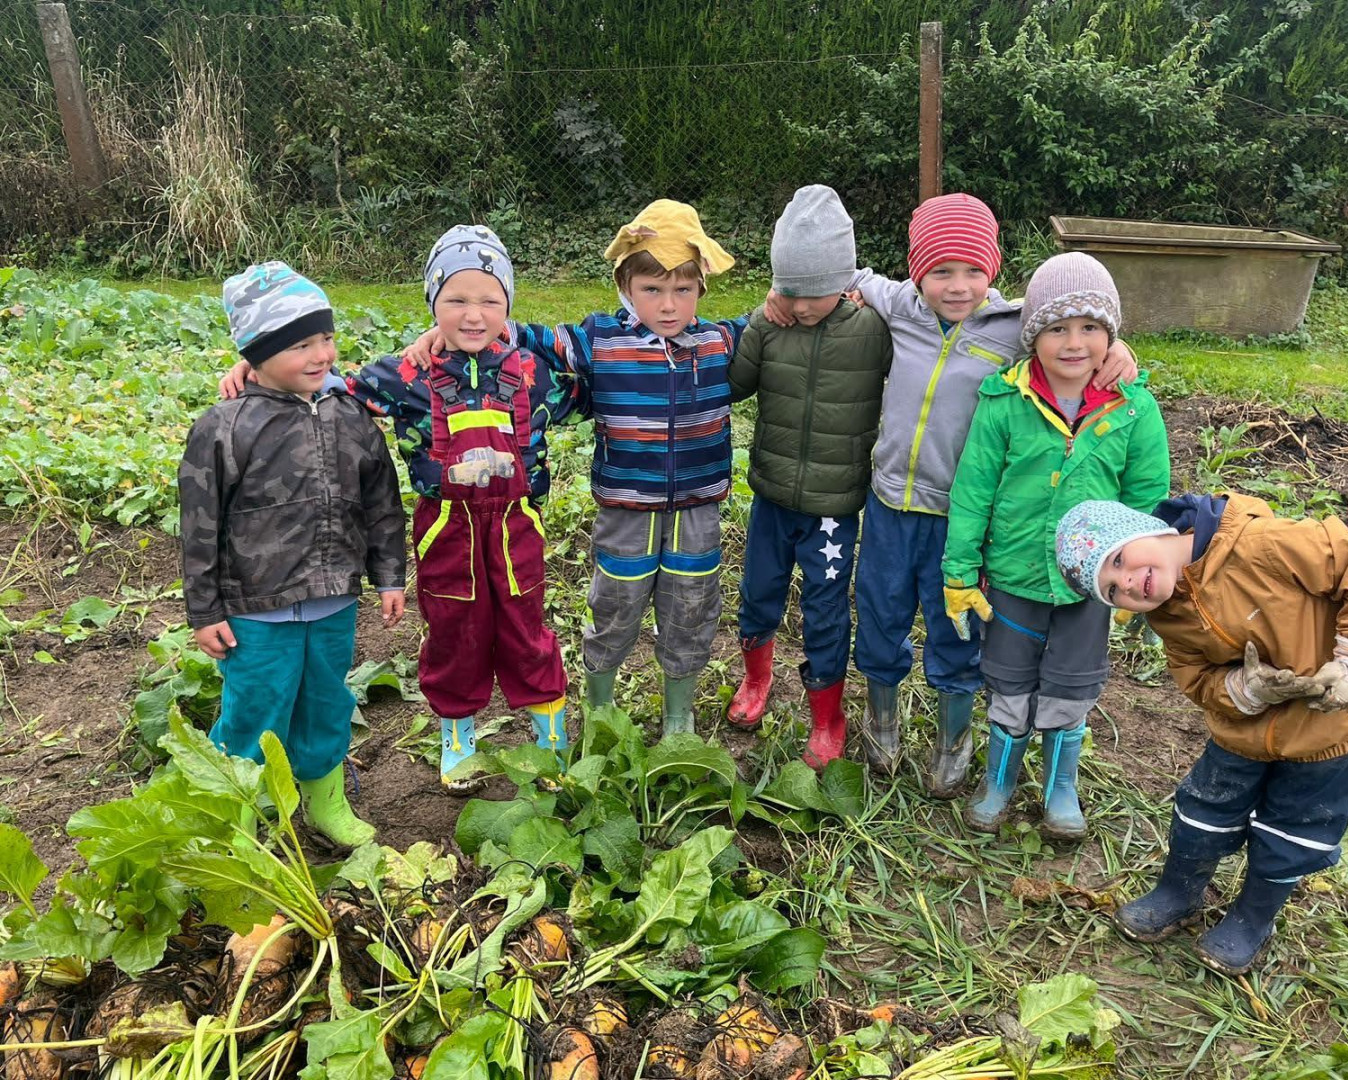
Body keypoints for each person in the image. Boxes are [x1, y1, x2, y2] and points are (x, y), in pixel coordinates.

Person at [764, 193, 1136, 788]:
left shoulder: (1014, 328)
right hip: (889, 505)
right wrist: (782, 295)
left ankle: (952, 739)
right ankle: (882, 723)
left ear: (993, 269)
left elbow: (1072, 327)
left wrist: (1117, 348)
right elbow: (840, 275)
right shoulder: (899, 305)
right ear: (917, 272)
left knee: (955, 625)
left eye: (972, 271)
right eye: (940, 271)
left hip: (961, 518)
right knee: (880, 614)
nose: (957, 287)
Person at [220, 228, 584, 791]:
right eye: (455, 300)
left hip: (517, 527)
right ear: (432, 302)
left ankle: (550, 739)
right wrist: (260, 370)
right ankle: (458, 739)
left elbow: (595, 386)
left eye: (490, 300)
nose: (473, 315)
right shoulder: (407, 375)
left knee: (526, 627)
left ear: (509, 306)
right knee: (454, 632)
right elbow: (338, 387)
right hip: (446, 530)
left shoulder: (535, 372)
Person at [403, 201, 747, 736]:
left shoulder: (718, 341)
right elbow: (519, 334)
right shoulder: (599, 340)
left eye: (683, 289)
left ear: (702, 286)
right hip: (626, 510)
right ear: (625, 286)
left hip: (698, 509)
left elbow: (780, 317)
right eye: (652, 289)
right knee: (615, 605)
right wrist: (440, 334)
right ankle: (600, 705)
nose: (668, 304)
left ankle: (679, 713)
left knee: (691, 609)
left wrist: (847, 289)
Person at [1055, 495, 1348, 974]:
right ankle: (1178, 892)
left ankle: (1253, 918)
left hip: (1332, 726)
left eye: (1118, 560)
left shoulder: (1260, 542)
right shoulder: (1167, 613)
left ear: (1146, 529)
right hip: (1243, 731)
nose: (1128, 583)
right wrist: (1245, 689)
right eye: (1112, 591)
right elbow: (1197, 679)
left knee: (1297, 829)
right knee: (1203, 810)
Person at [941, 253, 1169, 833]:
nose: (1074, 343)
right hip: (1013, 577)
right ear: (1032, 337)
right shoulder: (1003, 402)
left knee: (1072, 685)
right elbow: (973, 490)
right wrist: (960, 570)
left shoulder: (1134, 408)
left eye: (1090, 327)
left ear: (1111, 336)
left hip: (1092, 587)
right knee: (1009, 681)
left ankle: (1060, 786)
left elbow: (1147, 497)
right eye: (1057, 328)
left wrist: (1136, 574)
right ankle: (999, 780)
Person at [182, 262, 407, 846]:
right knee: (256, 709)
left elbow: (382, 502)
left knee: (327, 702)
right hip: (256, 609)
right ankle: (235, 816)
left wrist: (388, 576)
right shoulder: (225, 427)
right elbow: (199, 526)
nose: (321, 355)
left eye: (326, 338)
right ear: (256, 354)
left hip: (334, 600)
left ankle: (325, 801)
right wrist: (205, 610)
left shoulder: (352, 415)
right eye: (300, 345)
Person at [726, 185, 891, 767]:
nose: (798, 306)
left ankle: (827, 716)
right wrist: (758, 319)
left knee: (825, 610)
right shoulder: (772, 323)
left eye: (810, 293)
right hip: (771, 496)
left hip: (832, 510)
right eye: (788, 290)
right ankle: (756, 679)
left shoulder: (874, 330)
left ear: (843, 282)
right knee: (758, 594)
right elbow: (735, 385)